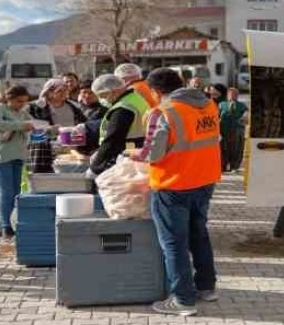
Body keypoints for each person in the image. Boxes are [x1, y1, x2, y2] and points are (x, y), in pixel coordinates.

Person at [143, 68, 221, 316]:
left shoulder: (163, 112)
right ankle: (206, 288)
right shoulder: (208, 105)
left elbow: (152, 154)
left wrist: (132, 154)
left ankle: (183, 300)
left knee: (174, 243)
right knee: (199, 235)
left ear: (155, 91)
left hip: (173, 185)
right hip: (204, 180)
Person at [0, 85, 34, 238]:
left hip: (18, 155)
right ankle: (6, 226)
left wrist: (48, 128)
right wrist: (21, 126)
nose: (22, 104)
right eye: (19, 101)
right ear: (10, 99)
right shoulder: (0, 108)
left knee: (15, 193)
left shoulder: (22, 113)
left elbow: (33, 124)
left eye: (25, 102)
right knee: (6, 192)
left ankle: (2, 225)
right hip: (1, 156)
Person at [86, 74, 149, 179]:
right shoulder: (136, 98)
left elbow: (113, 139)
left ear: (113, 91)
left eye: (102, 96)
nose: (101, 100)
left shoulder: (123, 108)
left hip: (127, 156)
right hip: (138, 152)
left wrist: (96, 166)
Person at [28, 79, 87, 173]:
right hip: (46, 142)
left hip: (71, 140)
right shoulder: (36, 107)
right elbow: (32, 128)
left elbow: (83, 124)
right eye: (59, 91)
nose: (63, 93)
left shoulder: (74, 107)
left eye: (65, 90)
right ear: (49, 92)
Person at [219, 88, 248, 173]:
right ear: (227, 95)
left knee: (236, 149)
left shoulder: (242, 105)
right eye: (230, 94)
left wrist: (244, 118)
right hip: (224, 130)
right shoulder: (221, 104)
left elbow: (246, 116)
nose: (232, 96)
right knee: (223, 148)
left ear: (237, 96)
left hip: (237, 130)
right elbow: (217, 115)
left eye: (234, 94)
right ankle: (223, 166)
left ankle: (234, 166)